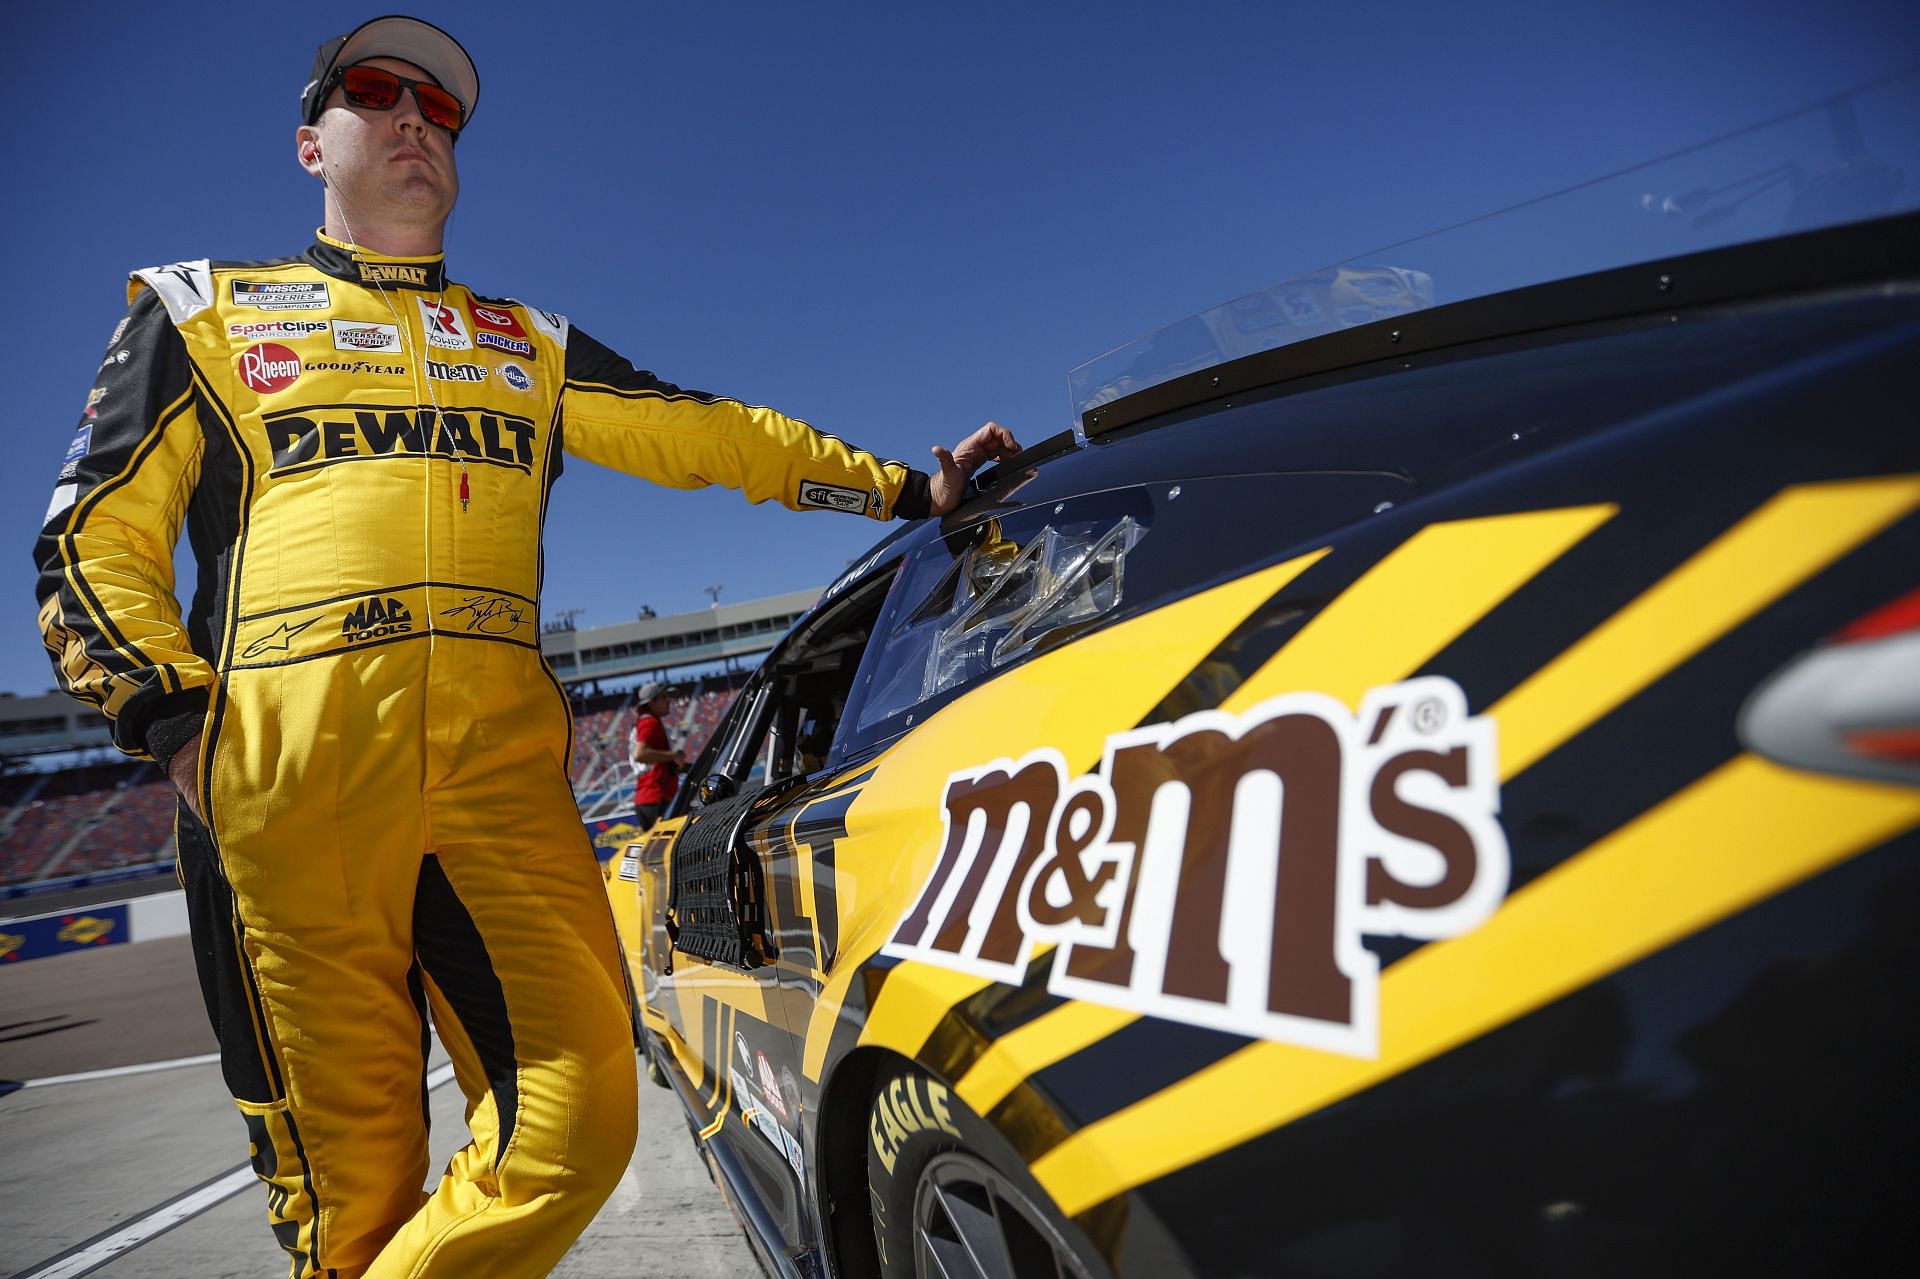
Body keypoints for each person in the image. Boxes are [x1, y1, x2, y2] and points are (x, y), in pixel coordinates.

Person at [31, 16, 1019, 1279]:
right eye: (375, 93)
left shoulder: (529, 345)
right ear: (307, 143)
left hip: (503, 786)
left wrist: (898, 491)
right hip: (282, 791)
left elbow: (712, 433)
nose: (412, 119)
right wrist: (178, 732)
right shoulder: (199, 310)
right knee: (351, 1203)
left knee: (583, 1119)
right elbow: (88, 542)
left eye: (440, 111)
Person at [628, 680, 681, 828]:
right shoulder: (650, 722)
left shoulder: (643, 721)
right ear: (651, 702)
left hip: (647, 798)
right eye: (664, 697)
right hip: (656, 797)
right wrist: (673, 756)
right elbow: (640, 754)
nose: (668, 701)